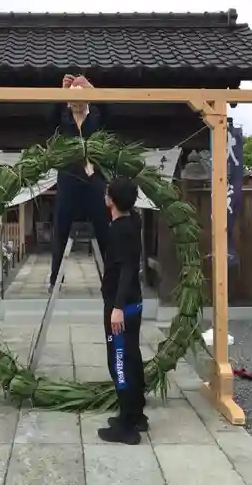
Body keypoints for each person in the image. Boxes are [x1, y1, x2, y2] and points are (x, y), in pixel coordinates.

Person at [97, 176, 148, 445]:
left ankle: (127, 428)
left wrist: (116, 308)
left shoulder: (120, 230)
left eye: (107, 193)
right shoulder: (133, 220)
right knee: (132, 357)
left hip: (122, 307)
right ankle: (136, 414)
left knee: (119, 363)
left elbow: (128, 269)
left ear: (112, 200)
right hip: (133, 304)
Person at [49, 74, 110, 292]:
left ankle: (110, 278)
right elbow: (50, 118)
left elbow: (110, 112)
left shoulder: (97, 116)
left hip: (95, 179)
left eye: (79, 99)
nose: (75, 104)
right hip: (68, 178)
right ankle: (55, 278)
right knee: (61, 228)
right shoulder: (63, 117)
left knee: (104, 227)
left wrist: (91, 87)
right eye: (71, 100)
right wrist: (61, 91)